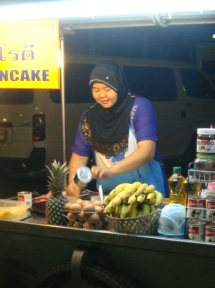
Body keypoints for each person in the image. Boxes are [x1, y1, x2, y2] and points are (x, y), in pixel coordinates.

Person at [66, 60, 169, 197]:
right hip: (108, 196)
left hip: (147, 193)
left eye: (107, 89)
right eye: (96, 90)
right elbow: (79, 157)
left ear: (119, 86)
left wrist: (111, 170)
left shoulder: (139, 108)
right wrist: (73, 184)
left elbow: (147, 151)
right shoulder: (89, 117)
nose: (101, 95)